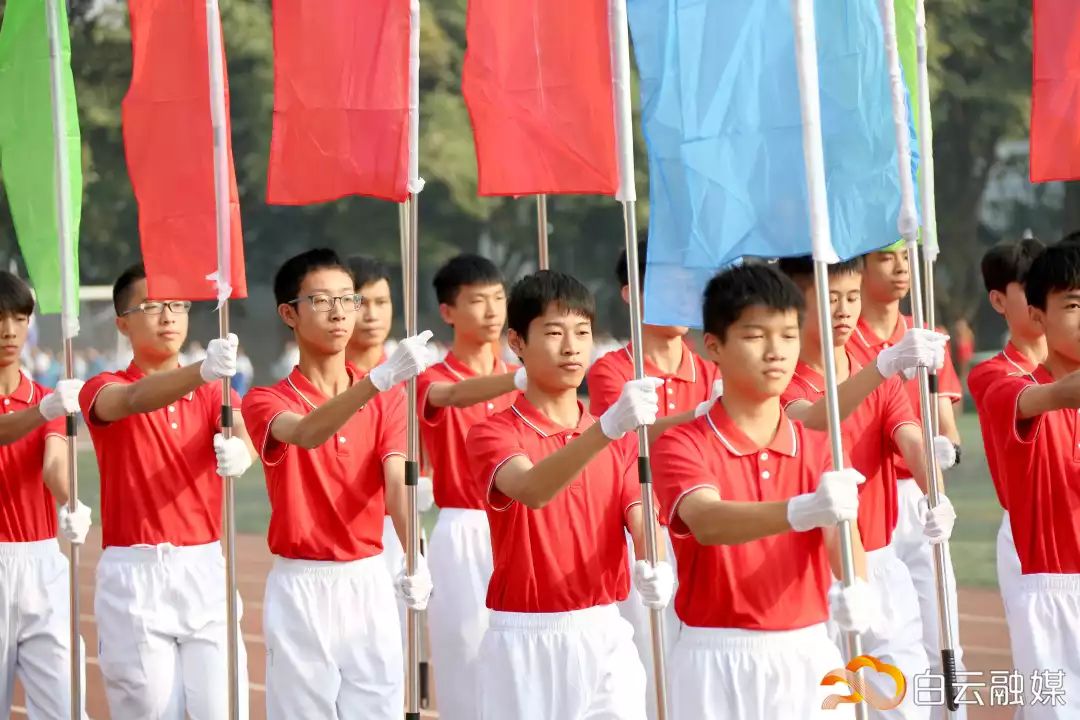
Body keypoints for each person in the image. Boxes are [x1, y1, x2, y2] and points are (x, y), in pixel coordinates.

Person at [651, 263, 868, 719]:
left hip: (807, 655)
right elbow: (707, 520)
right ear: (714, 346)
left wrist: (858, 587)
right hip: (714, 659)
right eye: (755, 336)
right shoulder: (682, 444)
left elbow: (842, 537)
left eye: (788, 336)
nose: (776, 352)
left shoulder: (820, 447)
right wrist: (800, 510)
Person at [466, 270, 673, 720]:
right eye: (554, 333)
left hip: (605, 631)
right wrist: (606, 428)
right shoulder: (493, 434)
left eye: (582, 332)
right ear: (517, 342)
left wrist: (655, 562)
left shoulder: (619, 439)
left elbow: (640, 516)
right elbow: (532, 489)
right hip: (525, 638)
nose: (572, 347)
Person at [241, 249, 435, 719]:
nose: (339, 313)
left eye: (348, 299)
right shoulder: (266, 400)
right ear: (289, 313)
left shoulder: (388, 400)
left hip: (367, 580)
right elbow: (308, 433)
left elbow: (396, 486)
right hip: (301, 586)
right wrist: (376, 382)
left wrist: (415, 557)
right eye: (322, 300)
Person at [778, 256, 954, 719]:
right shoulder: (782, 382)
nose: (844, 310)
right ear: (794, 304)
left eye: (852, 297)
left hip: (878, 563)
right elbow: (814, 419)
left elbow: (912, 441)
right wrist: (883, 365)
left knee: (903, 704)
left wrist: (936, 494)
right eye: (829, 298)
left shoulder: (882, 380)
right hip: (810, 575)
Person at [78, 263, 253, 719]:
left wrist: (244, 451)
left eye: (178, 305)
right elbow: (134, 400)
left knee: (224, 708)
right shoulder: (102, 387)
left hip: (205, 570)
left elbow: (242, 431)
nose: (169, 316)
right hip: (135, 576)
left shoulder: (214, 392)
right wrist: (202, 370)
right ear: (122, 323)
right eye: (153, 307)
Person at [585, 240, 720, 719]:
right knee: (649, 665)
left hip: (703, 531)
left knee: (703, 665)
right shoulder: (612, 372)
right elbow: (626, 436)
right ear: (631, 294)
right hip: (643, 532)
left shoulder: (711, 370)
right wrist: (704, 414)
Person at [850, 244, 966, 693]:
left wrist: (945, 451)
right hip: (867, 496)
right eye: (886, 258)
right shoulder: (844, 337)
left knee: (942, 633)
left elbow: (947, 427)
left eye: (905, 257)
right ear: (859, 268)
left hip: (920, 491)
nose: (900, 267)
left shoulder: (928, 335)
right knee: (875, 639)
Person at [416, 254, 525, 720]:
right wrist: (520, 377)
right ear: (448, 312)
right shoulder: (432, 379)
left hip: (518, 524)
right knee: (464, 648)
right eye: (477, 300)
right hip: (464, 525)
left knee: (519, 651)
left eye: (499, 298)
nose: (492, 310)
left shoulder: (521, 378)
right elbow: (453, 396)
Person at [981, 242, 1080, 719]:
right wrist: (1058, 394)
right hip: (1054, 592)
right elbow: (1034, 399)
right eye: (1074, 305)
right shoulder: (1010, 388)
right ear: (1038, 316)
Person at [0, 271, 91, 719]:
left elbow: (55, 465)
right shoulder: (44, 405)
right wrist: (41, 410)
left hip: (40, 564)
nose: (9, 331)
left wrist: (72, 500)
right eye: (0, 319)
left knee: (65, 706)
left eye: (19, 319)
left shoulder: (44, 400)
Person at [967, 238, 1046, 640]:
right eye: (1030, 287)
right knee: (1047, 664)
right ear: (998, 301)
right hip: (1032, 534)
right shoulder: (991, 375)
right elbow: (1038, 396)